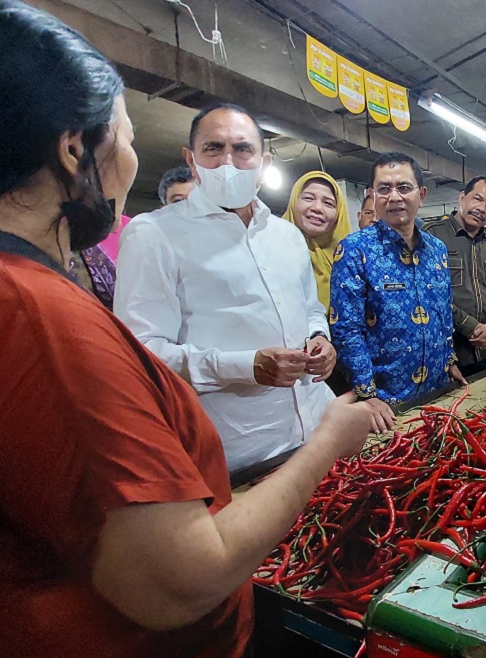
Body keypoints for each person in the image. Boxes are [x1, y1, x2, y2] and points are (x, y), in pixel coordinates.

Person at [0, 3, 374, 658]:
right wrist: (329, 436)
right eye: (124, 137)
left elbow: (307, 310)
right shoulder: (39, 308)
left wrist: (315, 350)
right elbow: (180, 578)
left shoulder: (7, 286)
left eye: (244, 148)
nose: (128, 160)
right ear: (76, 150)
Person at [115, 103, 338, 473]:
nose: (228, 162)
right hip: (238, 453)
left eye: (243, 149)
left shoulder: (286, 235)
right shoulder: (154, 234)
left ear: (265, 163)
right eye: (214, 149)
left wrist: (320, 337)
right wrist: (246, 366)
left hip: (317, 428)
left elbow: (310, 307)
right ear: (192, 159)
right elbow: (143, 356)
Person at [332, 152, 466, 418]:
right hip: (386, 405)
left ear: (422, 194)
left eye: (404, 187)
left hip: (438, 392)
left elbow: (442, 312)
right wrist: (367, 394)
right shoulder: (355, 250)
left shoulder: (437, 249)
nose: (394, 197)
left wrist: (449, 360)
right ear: (372, 194)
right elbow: (346, 328)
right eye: (384, 189)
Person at [423, 176, 486, 375]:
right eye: (477, 199)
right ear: (462, 197)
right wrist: (469, 326)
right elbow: (426, 294)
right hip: (451, 355)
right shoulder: (432, 236)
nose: (482, 209)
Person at [282, 170, 351, 314]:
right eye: (308, 198)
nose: (317, 208)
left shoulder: (351, 260)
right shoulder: (268, 249)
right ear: (294, 201)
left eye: (328, 203)